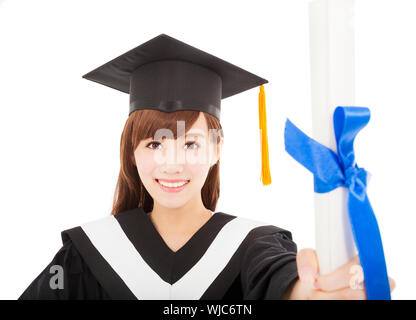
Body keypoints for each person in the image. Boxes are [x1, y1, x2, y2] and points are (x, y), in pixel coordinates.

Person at [18, 34, 395, 300]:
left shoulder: (252, 246)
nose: (172, 163)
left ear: (217, 149)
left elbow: (280, 279)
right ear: (131, 153)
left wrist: (308, 292)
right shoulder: (86, 255)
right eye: (153, 143)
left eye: (191, 143)